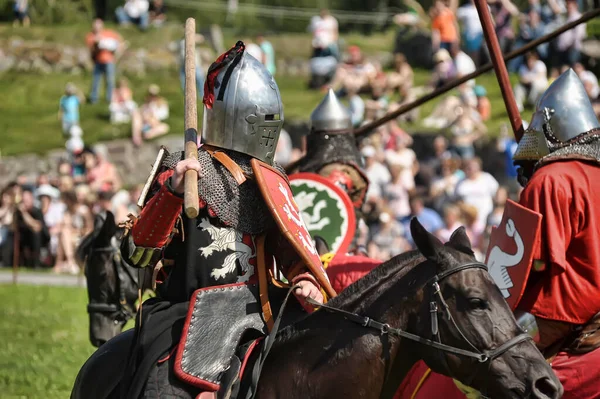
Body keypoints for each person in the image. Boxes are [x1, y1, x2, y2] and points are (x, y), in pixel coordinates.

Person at [118, 41, 334, 398]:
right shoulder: (183, 169)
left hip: (262, 307)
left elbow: (289, 246)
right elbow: (137, 253)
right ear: (234, 119)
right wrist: (171, 194)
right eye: (258, 123)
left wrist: (305, 276)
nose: (267, 134)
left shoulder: (270, 178)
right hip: (190, 309)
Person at [507, 69, 600, 398]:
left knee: (484, 361)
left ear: (548, 125)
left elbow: (534, 265)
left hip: (560, 308)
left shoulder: (551, 179)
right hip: (594, 305)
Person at [289, 89, 370, 253]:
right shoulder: (347, 167)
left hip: (334, 250)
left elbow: (332, 211)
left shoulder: (338, 172)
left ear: (317, 136)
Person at [86, 19, 124, 104]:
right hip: (97, 61)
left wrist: (118, 50)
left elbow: (119, 39)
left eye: (98, 26)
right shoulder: (90, 36)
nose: (97, 28)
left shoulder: (109, 33)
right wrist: (97, 44)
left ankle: (110, 98)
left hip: (109, 61)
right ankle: (94, 99)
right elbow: (92, 50)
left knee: (110, 80)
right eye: (95, 26)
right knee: (96, 80)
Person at [178, 33, 204, 99]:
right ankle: (188, 98)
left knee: (199, 81)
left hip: (195, 65)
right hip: (183, 65)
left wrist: (193, 36)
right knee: (184, 83)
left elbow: (201, 38)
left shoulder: (192, 40)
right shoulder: (181, 41)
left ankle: (202, 97)